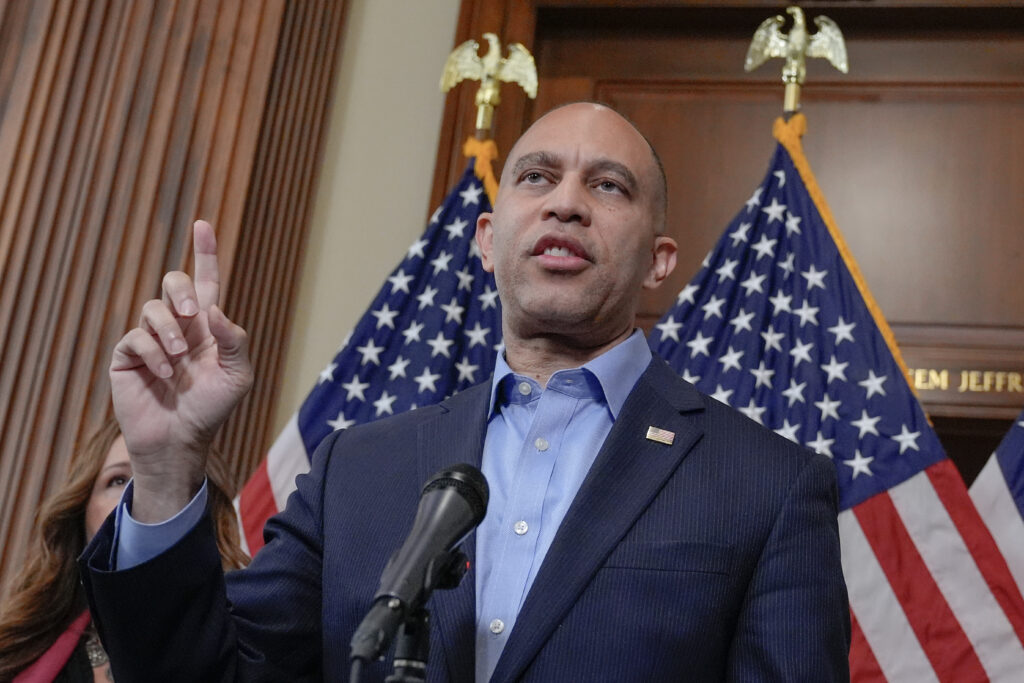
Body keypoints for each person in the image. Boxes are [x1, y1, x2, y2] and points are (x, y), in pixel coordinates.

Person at [80, 102, 850, 681]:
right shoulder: (356, 470)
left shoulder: (767, 484)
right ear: (486, 240)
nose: (566, 202)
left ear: (659, 260)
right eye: (537, 176)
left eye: (608, 186)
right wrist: (166, 465)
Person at [0, 418, 248, 682]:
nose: (140, 496)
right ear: (81, 511)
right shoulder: (16, 653)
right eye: (118, 481)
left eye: (162, 480)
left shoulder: (246, 651)